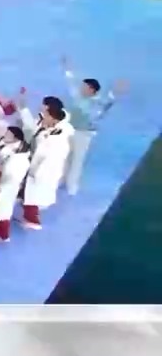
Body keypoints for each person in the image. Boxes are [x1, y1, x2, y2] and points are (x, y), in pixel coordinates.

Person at [60, 57, 121, 196]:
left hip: (83, 134)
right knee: (65, 157)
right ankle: (62, 180)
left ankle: (72, 186)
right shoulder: (77, 96)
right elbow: (70, 82)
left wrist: (114, 93)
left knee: (77, 160)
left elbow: (106, 106)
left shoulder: (96, 103)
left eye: (84, 87)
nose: (81, 88)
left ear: (91, 90)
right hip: (69, 131)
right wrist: (67, 69)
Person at [19, 96, 73, 230]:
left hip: (43, 170)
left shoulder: (59, 137)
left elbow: (50, 159)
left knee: (33, 194)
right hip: (34, 162)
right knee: (29, 193)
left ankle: (32, 220)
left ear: (53, 116)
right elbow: (32, 128)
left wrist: (36, 172)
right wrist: (24, 110)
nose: (42, 114)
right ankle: (29, 215)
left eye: (45, 111)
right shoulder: (46, 123)